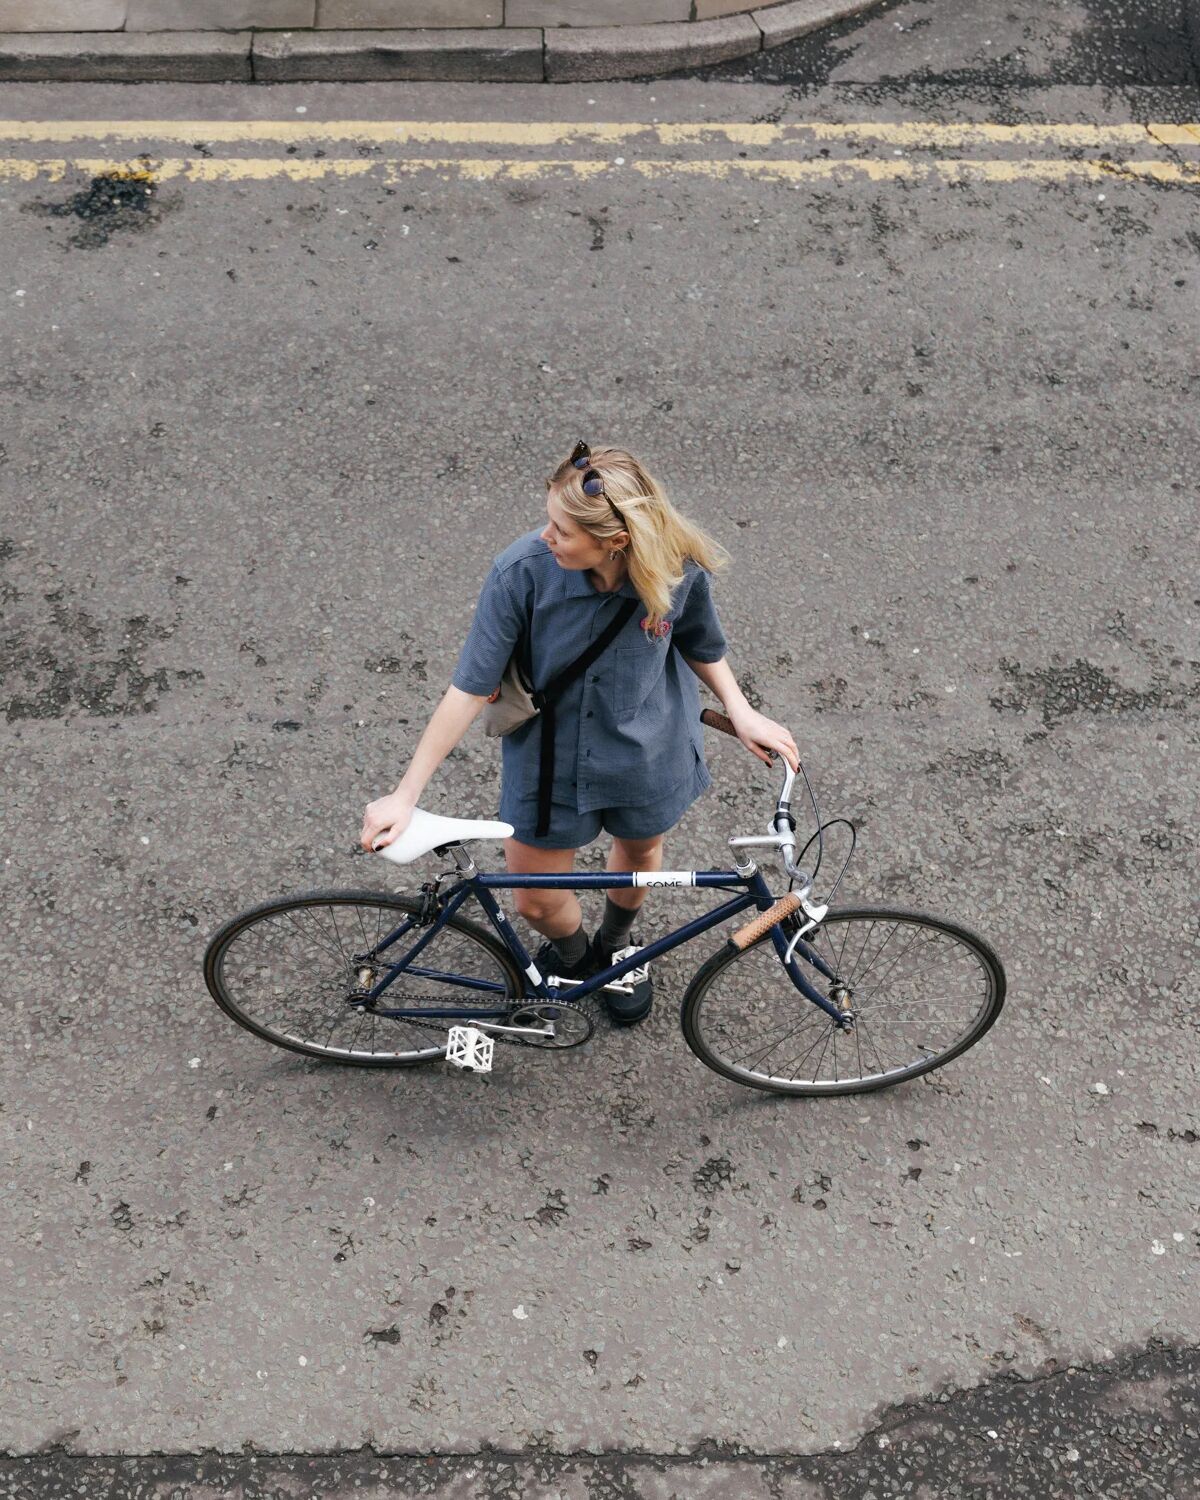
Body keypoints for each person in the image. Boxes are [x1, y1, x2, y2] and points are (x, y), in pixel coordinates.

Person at [360, 440, 799, 1026]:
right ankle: (574, 957)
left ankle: (616, 946)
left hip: (648, 749)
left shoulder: (677, 568)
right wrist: (405, 794)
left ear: (615, 541)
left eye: (562, 531)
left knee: (639, 853)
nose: (545, 536)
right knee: (536, 899)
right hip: (550, 761)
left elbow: (699, 641)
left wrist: (740, 709)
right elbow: (468, 689)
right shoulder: (521, 573)